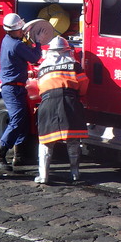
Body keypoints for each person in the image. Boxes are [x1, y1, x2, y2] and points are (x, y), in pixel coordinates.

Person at [34, 36, 89, 185]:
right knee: (73, 140)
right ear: (67, 51)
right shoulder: (74, 65)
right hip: (69, 102)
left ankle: (43, 176)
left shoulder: (42, 67)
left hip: (47, 103)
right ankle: (75, 174)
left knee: (46, 142)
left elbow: (40, 87)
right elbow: (84, 84)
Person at [0, 12, 42, 171]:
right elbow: (35, 58)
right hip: (13, 88)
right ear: (13, 30)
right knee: (17, 119)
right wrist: (38, 43)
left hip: (15, 87)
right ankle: (0, 154)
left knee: (23, 119)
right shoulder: (17, 45)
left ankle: (19, 156)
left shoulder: (8, 40)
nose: (22, 31)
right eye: (20, 29)